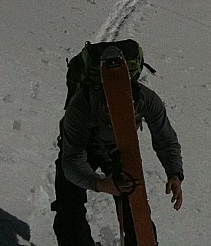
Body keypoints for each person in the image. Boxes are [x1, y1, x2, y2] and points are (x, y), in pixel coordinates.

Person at [52, 78, 183, 246]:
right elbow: (71, 161)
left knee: (135, 206)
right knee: (69, 205)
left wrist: (175, 173)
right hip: (83, 145)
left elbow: (166, 140)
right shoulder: (80, 106)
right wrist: (100, 184)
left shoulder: (148, 100)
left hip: (119, 148)